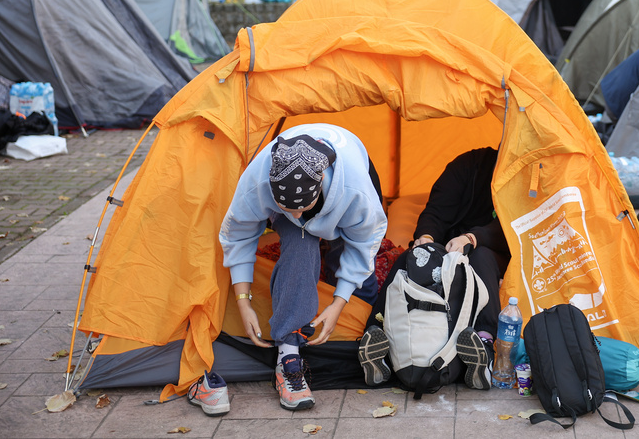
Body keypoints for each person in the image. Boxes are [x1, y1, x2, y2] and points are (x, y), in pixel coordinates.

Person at [194, 125, 387, 415]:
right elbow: (239, 236)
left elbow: (363, 246)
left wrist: (339, 302)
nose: (296, 216)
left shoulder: (356, 192)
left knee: (353, 272)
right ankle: (288, 354)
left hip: (352, 166)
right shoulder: (258, 181)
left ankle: (368, 337)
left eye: (302, 208)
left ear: (320, 183)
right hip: (291, 187)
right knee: (300, 240)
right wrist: (243, 303)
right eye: (286, 208)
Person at [359, 147, 505, 391]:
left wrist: (472, 238)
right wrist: (425, 238)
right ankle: (376, 337)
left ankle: (484, 348)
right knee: (410, 257)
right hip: (449, 246)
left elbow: (514, 227)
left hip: (496, 249)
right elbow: (436, 211)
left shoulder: (530, 175)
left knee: (481, 257)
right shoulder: (470, 165)